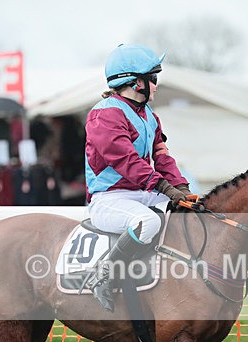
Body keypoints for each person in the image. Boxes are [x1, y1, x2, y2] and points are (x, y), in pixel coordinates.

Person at [83, 43, 194, 312]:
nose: (156, 85)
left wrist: (183, 189)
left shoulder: (150, 117)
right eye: (152, 79)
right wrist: (164, 187)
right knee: (147, 221)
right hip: (109, 198)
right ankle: (104, 274)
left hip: (143, 193)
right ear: (135, 83)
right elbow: (125, 161)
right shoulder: (104, 114)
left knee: (186, 215)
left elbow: (162, 157)